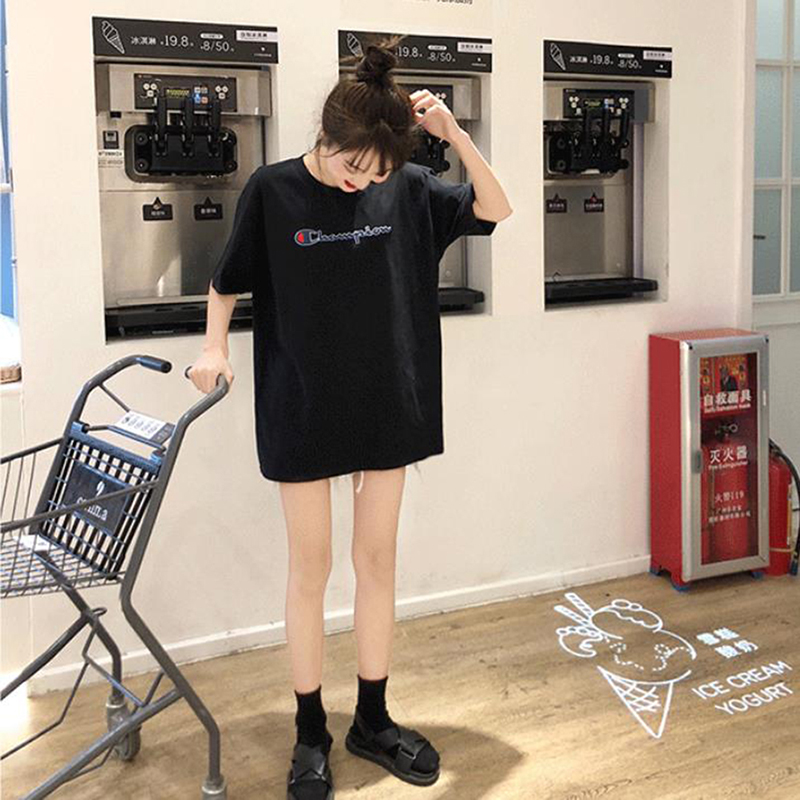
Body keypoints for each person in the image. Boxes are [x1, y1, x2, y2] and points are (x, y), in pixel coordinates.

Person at [188, 44, 512, 800]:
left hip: (387, 398)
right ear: (325, 136)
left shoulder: (407, 187)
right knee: (311, 569)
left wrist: (455, 136)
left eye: (376, 173)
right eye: (351, 166)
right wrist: (213, 349)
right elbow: (225, 283)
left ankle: (372, 719)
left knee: (377, 563)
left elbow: (496, 208)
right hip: (302, 400)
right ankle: (310, 732)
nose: (360, 182)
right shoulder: (272, 190)